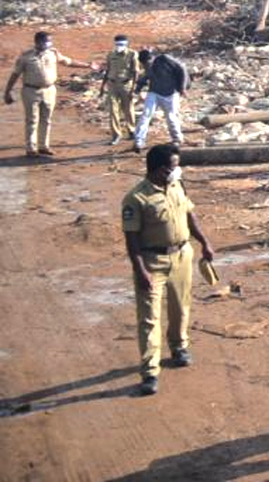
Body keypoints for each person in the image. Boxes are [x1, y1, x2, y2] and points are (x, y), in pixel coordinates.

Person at [121, 143, 214, 396]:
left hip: (182, 256)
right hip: (152, 262)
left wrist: (204, 242)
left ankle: (179, 346)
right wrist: (141, 271)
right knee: (150, 318)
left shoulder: (176, 186)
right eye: (174, 166)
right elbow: (132, 240)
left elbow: (189, 215)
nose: (177, 170)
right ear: (160, 170)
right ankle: (150, 370)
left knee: (180, 306)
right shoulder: (136, 198)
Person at [4, 30, 92, 158]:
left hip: (49, 91)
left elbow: (69, 62)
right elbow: (15, 75)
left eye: (49, 41)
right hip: (31, 91)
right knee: (32, 120)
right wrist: (7, 92)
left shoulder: (53, 53)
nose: (48, 44)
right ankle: (31, 148)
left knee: (46, 119)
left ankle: (43, 146)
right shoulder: (26, 57)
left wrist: (89, 65)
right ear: (37, 42)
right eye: (45, 41)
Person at [134, 48, 188, 152]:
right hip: (154, 92)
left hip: (170, 93)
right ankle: (139, 141)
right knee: (146, 114)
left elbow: (182, 69)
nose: (146, 66)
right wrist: (137, 90)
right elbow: (145, 77)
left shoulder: (165, 59)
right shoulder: (147, 66)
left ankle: (177, 138)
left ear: (151, 59)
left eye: (147, 63)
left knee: (171, 116)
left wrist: (182, 87)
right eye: (144, 65)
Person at [100, 34, 139, 145]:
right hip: (112, 85)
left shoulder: (132, 54)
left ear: (126, 44)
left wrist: (133, 89)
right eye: (117, 44)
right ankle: (116, 134)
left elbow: (135, 72)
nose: (119, 46)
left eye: (121, 44)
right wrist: (102, 87)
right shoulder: (111, 54)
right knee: (113, 111)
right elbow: (107, 70)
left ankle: (131, 130)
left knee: (128, 110)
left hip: (125, 85)